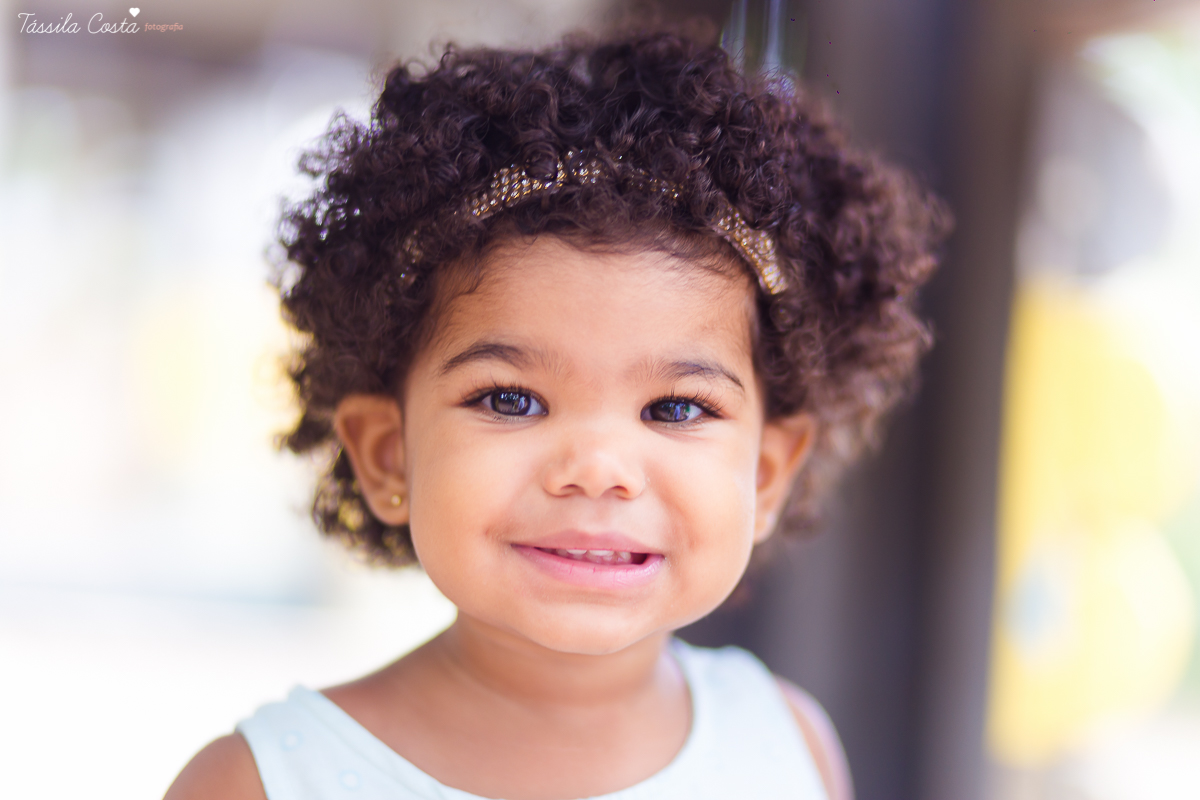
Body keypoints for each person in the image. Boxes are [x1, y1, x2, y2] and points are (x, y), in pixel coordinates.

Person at [165, 25, 948, 800]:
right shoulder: (261, 782)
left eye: (676, 408)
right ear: (387, 455)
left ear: (767, 474)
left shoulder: (788, 744)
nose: (597, 469)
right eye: (512, 400)